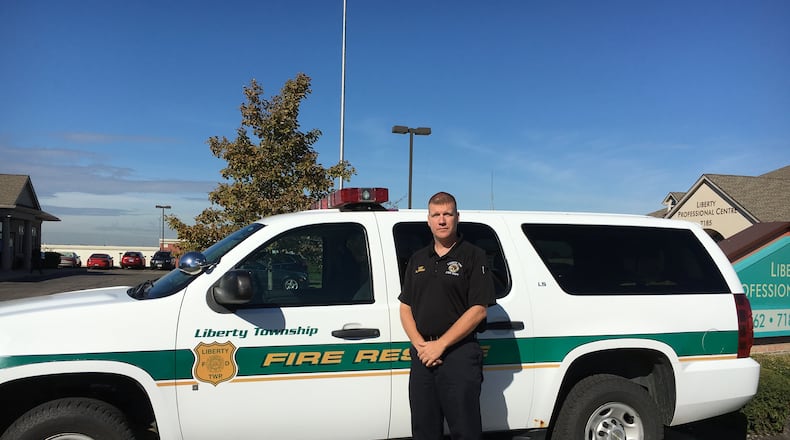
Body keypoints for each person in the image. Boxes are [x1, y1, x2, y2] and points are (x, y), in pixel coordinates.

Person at [398, 191, 496, 440]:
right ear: (428, 220)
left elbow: (478, 309)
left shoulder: (474, 256)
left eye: (447, 214)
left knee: (465, 430)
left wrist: (440, 345)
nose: (442, 220)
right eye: (436, 215)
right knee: (423, 430)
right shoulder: (418, 258)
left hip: (458, 354)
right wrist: (421, 346)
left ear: (457, 217)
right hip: (423, 356)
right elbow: (405, 306)